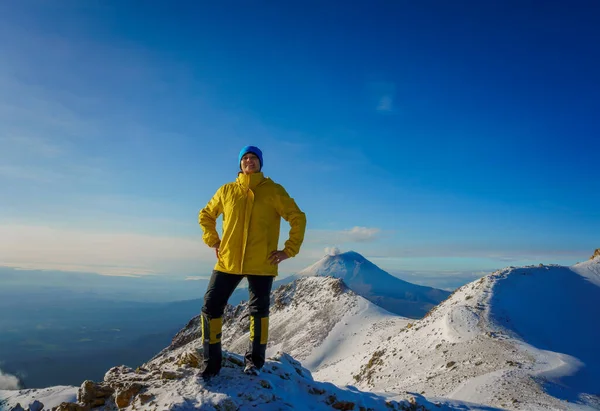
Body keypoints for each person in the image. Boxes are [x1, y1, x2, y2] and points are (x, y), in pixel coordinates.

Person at [198, 145, 306, 379]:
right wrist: (214, 241)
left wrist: (289, 250)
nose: (249, 161)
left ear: (260, 163)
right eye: (245, 158)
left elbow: (297, 217)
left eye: (254, 158)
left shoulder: (274, 190)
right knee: (211, 306)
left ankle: (254, 363)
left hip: (262, 262)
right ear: (240, 164)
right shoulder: (226, 190)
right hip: (228, 261)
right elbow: (206, 215)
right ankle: (211, 365)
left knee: (258, 312)